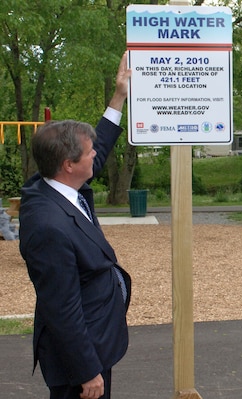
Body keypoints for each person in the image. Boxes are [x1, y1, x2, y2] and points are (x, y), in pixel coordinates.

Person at [19, 52, 132, 399]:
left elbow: (94, 150)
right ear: (68, 165)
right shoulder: (47, 226)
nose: (96, 154)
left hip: (97, 339)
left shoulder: (54, 183)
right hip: (79, 363)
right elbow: (61, 308)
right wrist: (87, 372)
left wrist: (119, 96)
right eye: (89, 153)